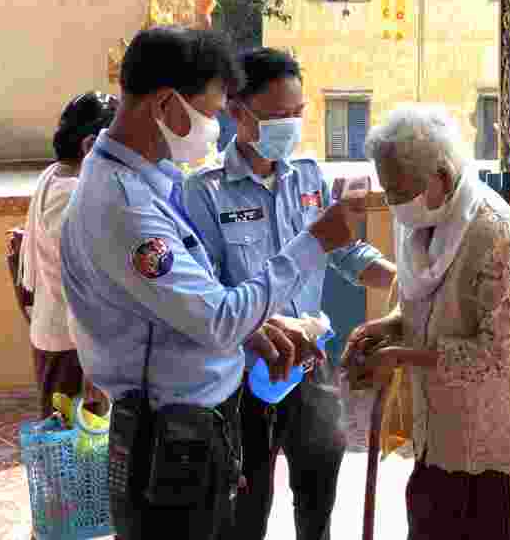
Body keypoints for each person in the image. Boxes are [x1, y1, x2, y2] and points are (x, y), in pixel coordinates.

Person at [60, 27, 367, 540]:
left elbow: (183, 306)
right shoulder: (128, 207)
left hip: (195, 427)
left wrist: (255, 329)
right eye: (209, 111)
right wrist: (313, 242)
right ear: (165, 105)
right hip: (169, 440)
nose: (213, 126)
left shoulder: (150, 184)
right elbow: (218, 316)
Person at [183, 48, 396, 540]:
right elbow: (206, 291)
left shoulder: (306, 175)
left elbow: (342, 252)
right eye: (278, 116)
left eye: (298, 114)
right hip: (243, 371)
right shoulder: (204, 192)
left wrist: (403, 279)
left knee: (320, 479)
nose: (291, 125)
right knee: (245, 502)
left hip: (310, 362)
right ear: (238, 113)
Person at [343, 105, 510, 540]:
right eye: (388, 190)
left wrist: (398, 355)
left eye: (400, 191)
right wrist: (390, 327)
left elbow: (499, 354)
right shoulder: (421, 217)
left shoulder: (496, 234)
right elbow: (428, 306)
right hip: (445, 432)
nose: (393, 203)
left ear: (442, 176)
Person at [23, 91, 118, 419]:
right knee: (77, 447)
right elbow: (79, 286)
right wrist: (93, 362)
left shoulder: (55, 174)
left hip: (58, 333)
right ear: (89, 145)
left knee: (69, 438)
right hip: (73, 344)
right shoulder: (72, 195)